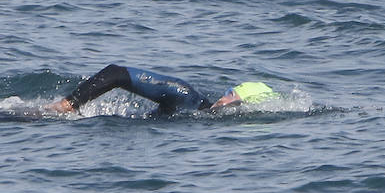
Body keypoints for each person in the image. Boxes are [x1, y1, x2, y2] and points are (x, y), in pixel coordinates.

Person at [48, 63, 277, 115]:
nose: (226, 101)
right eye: (229, 95)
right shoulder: (188, 98)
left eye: (233, 100)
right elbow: (116, 73)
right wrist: (67, 105)